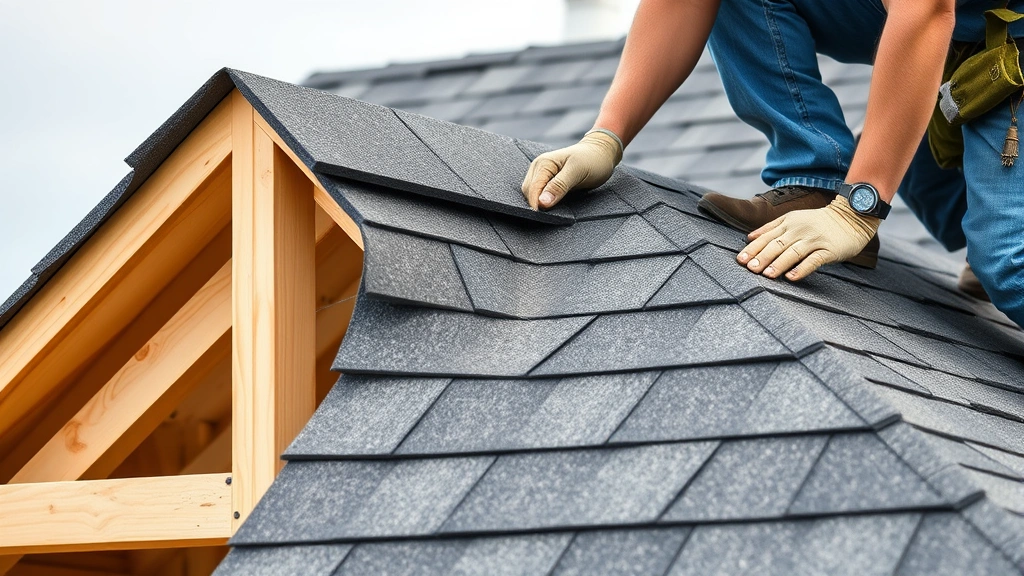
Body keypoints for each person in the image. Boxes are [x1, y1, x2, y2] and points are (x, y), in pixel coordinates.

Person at [520, 0, 1024, 328]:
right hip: (965, 23)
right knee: (909, 156)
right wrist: (605, 137)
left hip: (1000, 29)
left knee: (1007, 266)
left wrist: (859, 208)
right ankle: (814, 175)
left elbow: (927, 9)